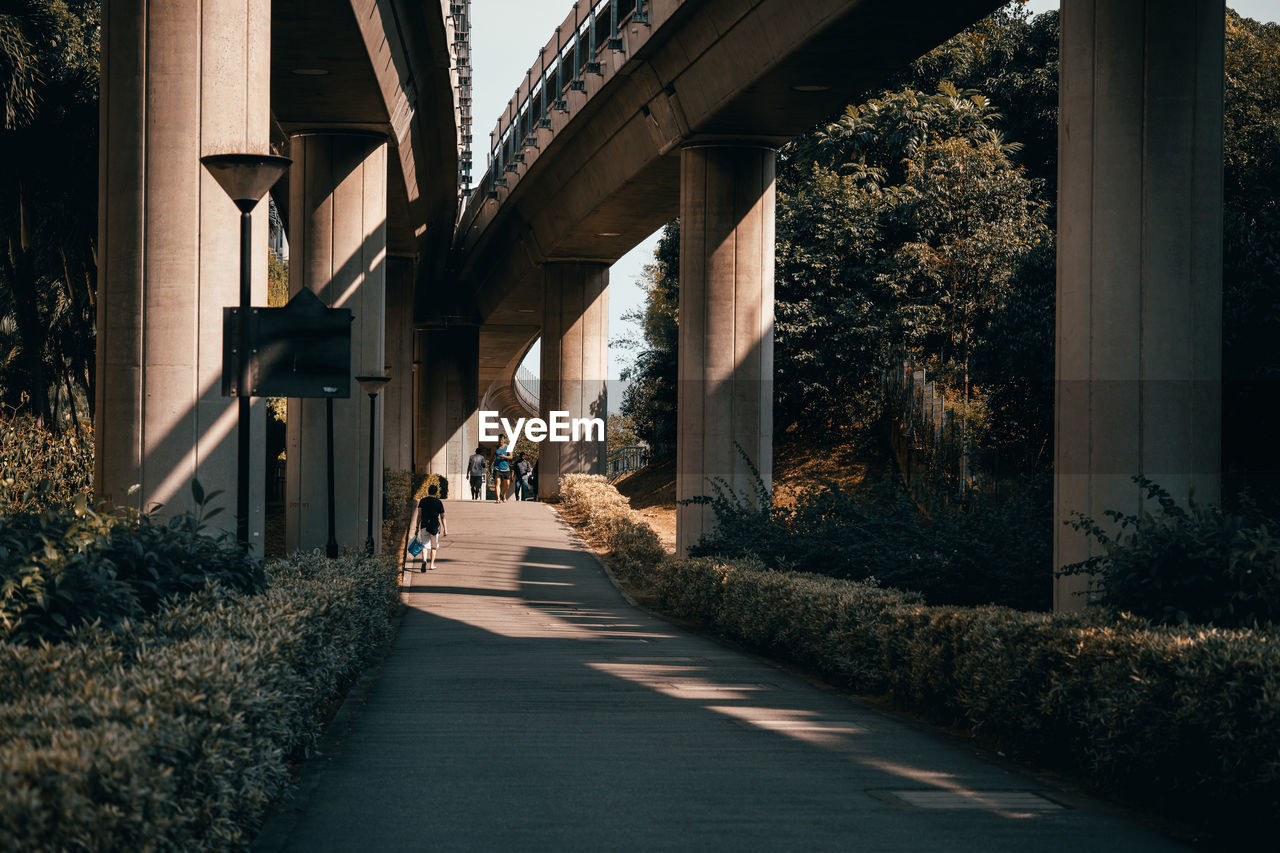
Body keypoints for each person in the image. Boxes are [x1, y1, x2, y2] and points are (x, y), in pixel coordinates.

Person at [415, 484, 447, 571]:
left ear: (428, 491)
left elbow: (419, 515)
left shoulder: (423, 501)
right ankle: (432, 565)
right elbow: (442, 516)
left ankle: (424, 561)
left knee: (424, 546)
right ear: (436, 492)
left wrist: (417, 527)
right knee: (434, 547)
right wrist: (445, 529)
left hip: (424, 525)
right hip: (434, 527)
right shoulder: (438, 502)